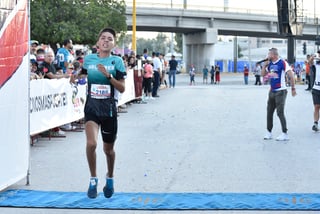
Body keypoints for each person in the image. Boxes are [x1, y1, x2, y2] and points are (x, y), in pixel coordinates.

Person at [82, 27, 126, 199]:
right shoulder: (89, 59)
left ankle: (110, 177)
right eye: (103, 38)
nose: (106, 41)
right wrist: (73, 77)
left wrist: (108, 76)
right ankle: (93, 179)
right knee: (91, 144)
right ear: (98, 43)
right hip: (92, 107)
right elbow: (81, 75)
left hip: (109, 110)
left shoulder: (117, 61)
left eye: (109, 39)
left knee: (108, 150)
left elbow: (122, 88)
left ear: (113, 44)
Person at [262, 48, 296, 141]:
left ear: (274, 55)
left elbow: (291, 75)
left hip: (281, 91)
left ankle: (284, 133)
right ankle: (269, 132)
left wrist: (293, 88)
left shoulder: (282, 62)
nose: (267, 56)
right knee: (269, 112)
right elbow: (263, 75)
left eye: (269, 54)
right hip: (272, 91)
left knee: (280, 112)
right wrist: (264, 65)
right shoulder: (270, 64)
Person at [311, 54, 320, 132]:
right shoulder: (317, 63)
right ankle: (315, 124)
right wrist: (312, 57)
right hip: (316, 88)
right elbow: (309, 62)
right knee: (317, 106)